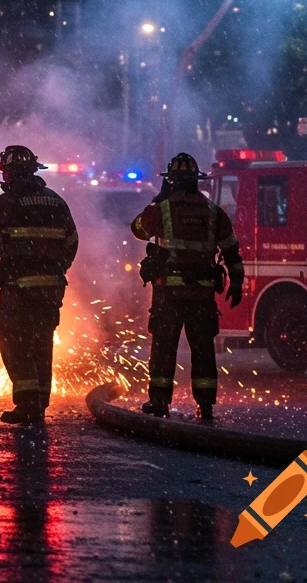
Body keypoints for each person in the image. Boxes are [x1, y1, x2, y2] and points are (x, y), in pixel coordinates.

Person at [0, 145, 78, 425]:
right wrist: (56, 270)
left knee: (14, 342)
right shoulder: (56, 201)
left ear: (9, 173)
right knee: (42, 343)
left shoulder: (7, 202)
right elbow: (71, 241)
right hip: (50, 289)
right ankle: (40, 402)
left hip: (18, 288)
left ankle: (28, 403)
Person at [131, 152, 244, 420]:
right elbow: (231, 250)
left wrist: (157, 201)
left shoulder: (163, 210)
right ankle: (205, 405)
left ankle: (159, 402)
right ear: (197, 181)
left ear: (170, 181)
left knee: (164, 349)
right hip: (202, 296)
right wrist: (237, 282)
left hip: (169, 295)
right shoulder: (214, 212)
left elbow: (137, 229)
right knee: (203, 350)